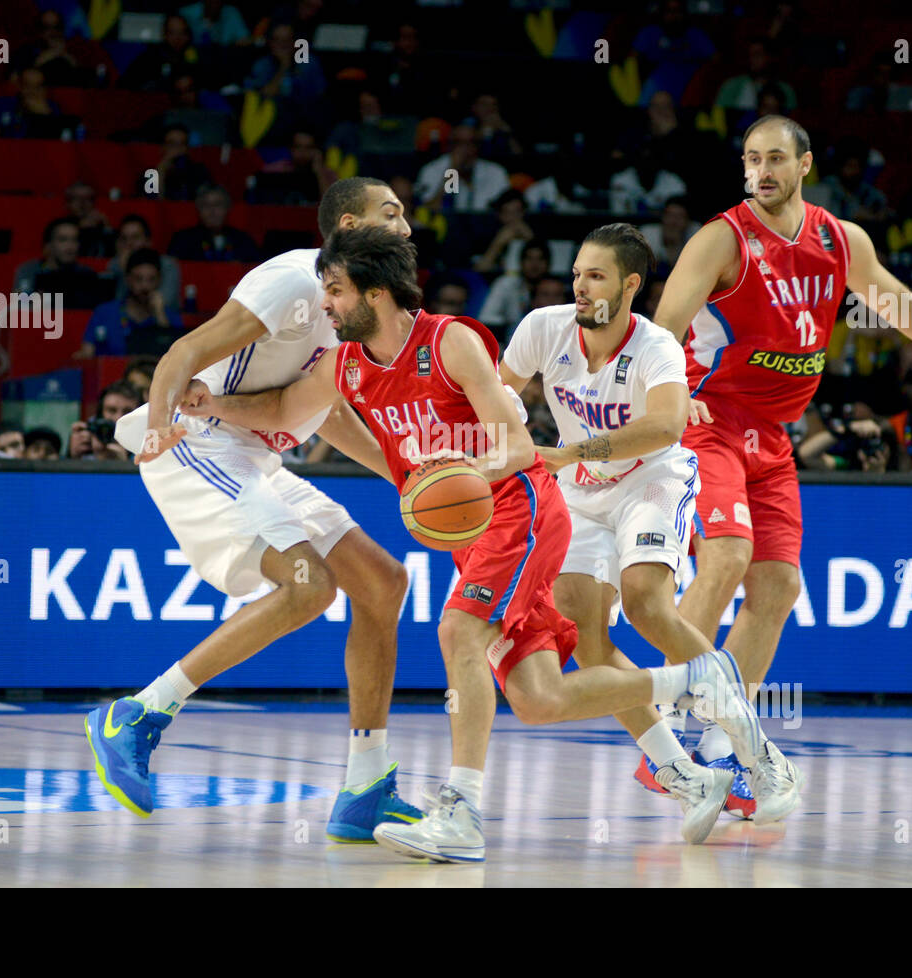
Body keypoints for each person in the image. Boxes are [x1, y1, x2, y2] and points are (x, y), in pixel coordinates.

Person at [186, 226, 795, 861]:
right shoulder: (346, 366)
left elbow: (514, 441)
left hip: (521, 507)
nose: (326, 306)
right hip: (481, 533)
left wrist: (468, 471)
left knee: (461, 631)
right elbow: (285, 409)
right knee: (537, 696)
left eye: (335, 291)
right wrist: (213, 405)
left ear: (375, 292)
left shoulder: (450, 342)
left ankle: (462, 811)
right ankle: (691, 690)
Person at [650, 115, 912, 811]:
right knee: (727, 556)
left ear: (805, 165)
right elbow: (662, 328)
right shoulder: (720, 238)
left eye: (773, 159)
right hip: (712, 419)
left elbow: (903, 308)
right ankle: (666, 730)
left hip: (775, 433)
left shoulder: (838, 239)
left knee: (779, 588)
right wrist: (674, 397)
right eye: (750, 159)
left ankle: (719, 750)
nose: (759, 171)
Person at [83, 177, 423, 845]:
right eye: (392, 213)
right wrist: (159, 425)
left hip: (257, 452)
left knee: (384, 583)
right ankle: (138, 714)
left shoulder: (362, 307)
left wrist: (406, 476)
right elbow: (182, 354)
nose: (407, 225)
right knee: (309, 587)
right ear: (350, 224)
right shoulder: (296, 282)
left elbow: (321, 411)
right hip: (195, 440)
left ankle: (364, 787)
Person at [499, 223, 803, 831]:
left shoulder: (657, 345)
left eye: (597, 276)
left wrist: (574, 449)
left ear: (630, 284)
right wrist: (501, 439)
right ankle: (683, 773)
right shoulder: (542, 327)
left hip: (651, 479)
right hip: (580, 490)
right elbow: (497, 391)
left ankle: (761, 755)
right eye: (578, 273)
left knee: (646, 606)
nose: (580, 287)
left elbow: (666, 426)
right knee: (582, 631)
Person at [77, 250, 183, 358]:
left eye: (151, 279)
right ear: (128, 279)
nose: (144, 286)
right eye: (138, 279)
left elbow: (176, 361)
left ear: (159, 280)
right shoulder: (104, 312)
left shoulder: (170, 317)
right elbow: (86, 355)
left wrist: (161, 317)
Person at [12, 217, 107, 308]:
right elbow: (20, 308)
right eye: (63, 240)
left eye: (75, 240)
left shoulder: (87, 274)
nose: (70, 247)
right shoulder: (29, 271)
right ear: (48, 246)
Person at [166, 184, 262, 262]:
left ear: (227, 208)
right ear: (198, 209)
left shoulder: (243, 241)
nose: (212, 211)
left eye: (217, 205)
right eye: (206, 205)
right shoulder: (183, 240)